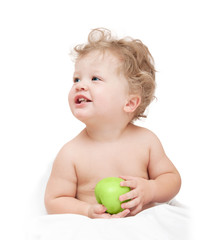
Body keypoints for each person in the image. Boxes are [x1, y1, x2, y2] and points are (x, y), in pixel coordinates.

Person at [44, 28, 181, 219]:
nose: (79, 85)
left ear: (129, 102)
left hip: (141, 226)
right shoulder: (71, 154)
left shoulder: (146, 142)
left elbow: (172, 179)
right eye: (76, 78)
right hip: (97, 229)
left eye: (95, 78)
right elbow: (54, 200)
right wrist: (86, 211)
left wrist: (151, 189)